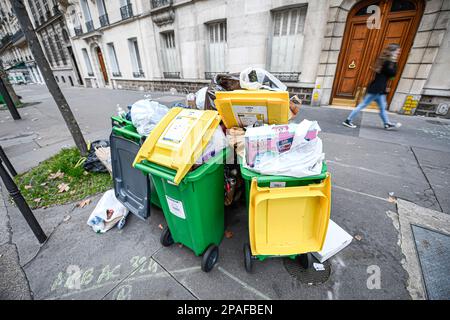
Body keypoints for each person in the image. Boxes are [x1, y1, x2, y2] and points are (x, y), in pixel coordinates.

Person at [343, 43, 402, 130]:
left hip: (379, 88)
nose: (398, 53)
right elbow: (393, 74)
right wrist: (394, 62)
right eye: (397, 51)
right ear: (392, 51)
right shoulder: (388, 62)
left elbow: (391, 76)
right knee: (363, 105)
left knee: (382, 107)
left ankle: (387, 123)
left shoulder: (385, 61)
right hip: (377, 89)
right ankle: (348, 120)